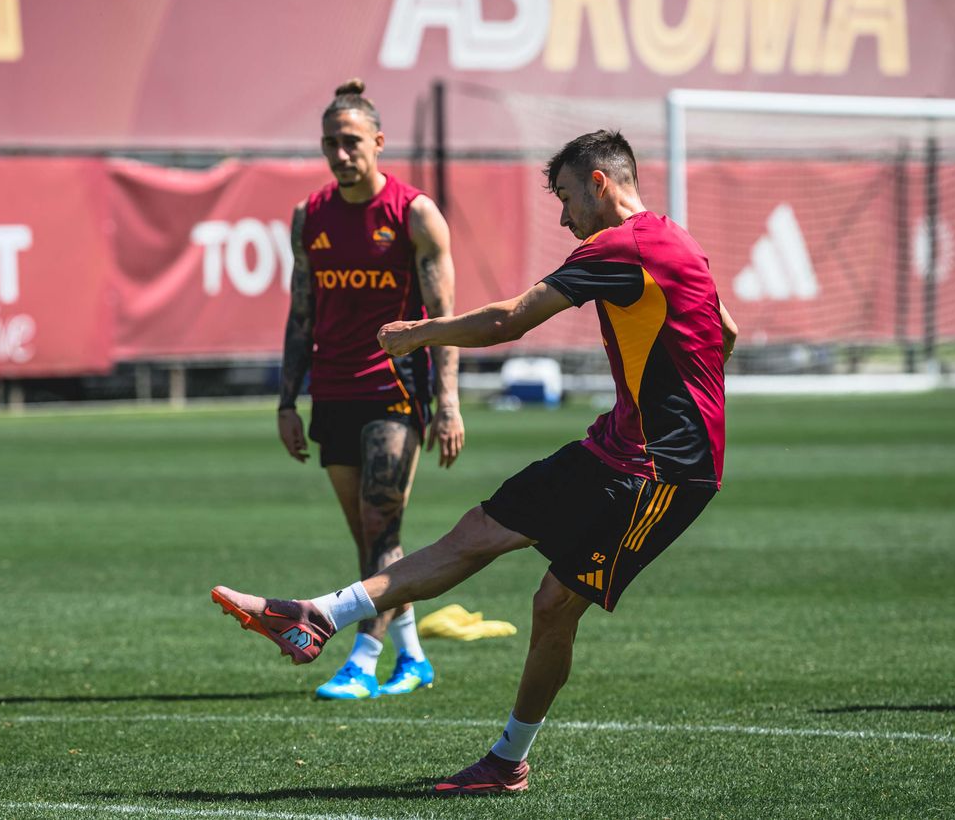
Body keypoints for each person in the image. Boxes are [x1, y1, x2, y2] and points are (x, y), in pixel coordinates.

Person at [214, 130, 739, 793]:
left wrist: (421, 333)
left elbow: (511, 321)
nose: (562, 215)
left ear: (599, 185)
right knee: (476, 533)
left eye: (567, 197)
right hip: (617, 446)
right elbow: (724, 332)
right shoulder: (677, 241)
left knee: (552, 604)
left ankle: (506, 761)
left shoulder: (617, 247)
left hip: (662, 470)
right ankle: (315, 618)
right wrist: (678, 388)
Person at [274, 79, 465, 701]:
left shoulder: (414, 214)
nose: (340, 153)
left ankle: (363, 657)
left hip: (394, 391)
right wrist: (286, 401)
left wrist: (448, 403)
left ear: (379, 143)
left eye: (351, 141)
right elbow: (301, 314)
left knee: (381, 526)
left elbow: (444, 317)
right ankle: (414, 658)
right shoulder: (310, 216)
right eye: (330, 142)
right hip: (331, 391)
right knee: (368, 537)